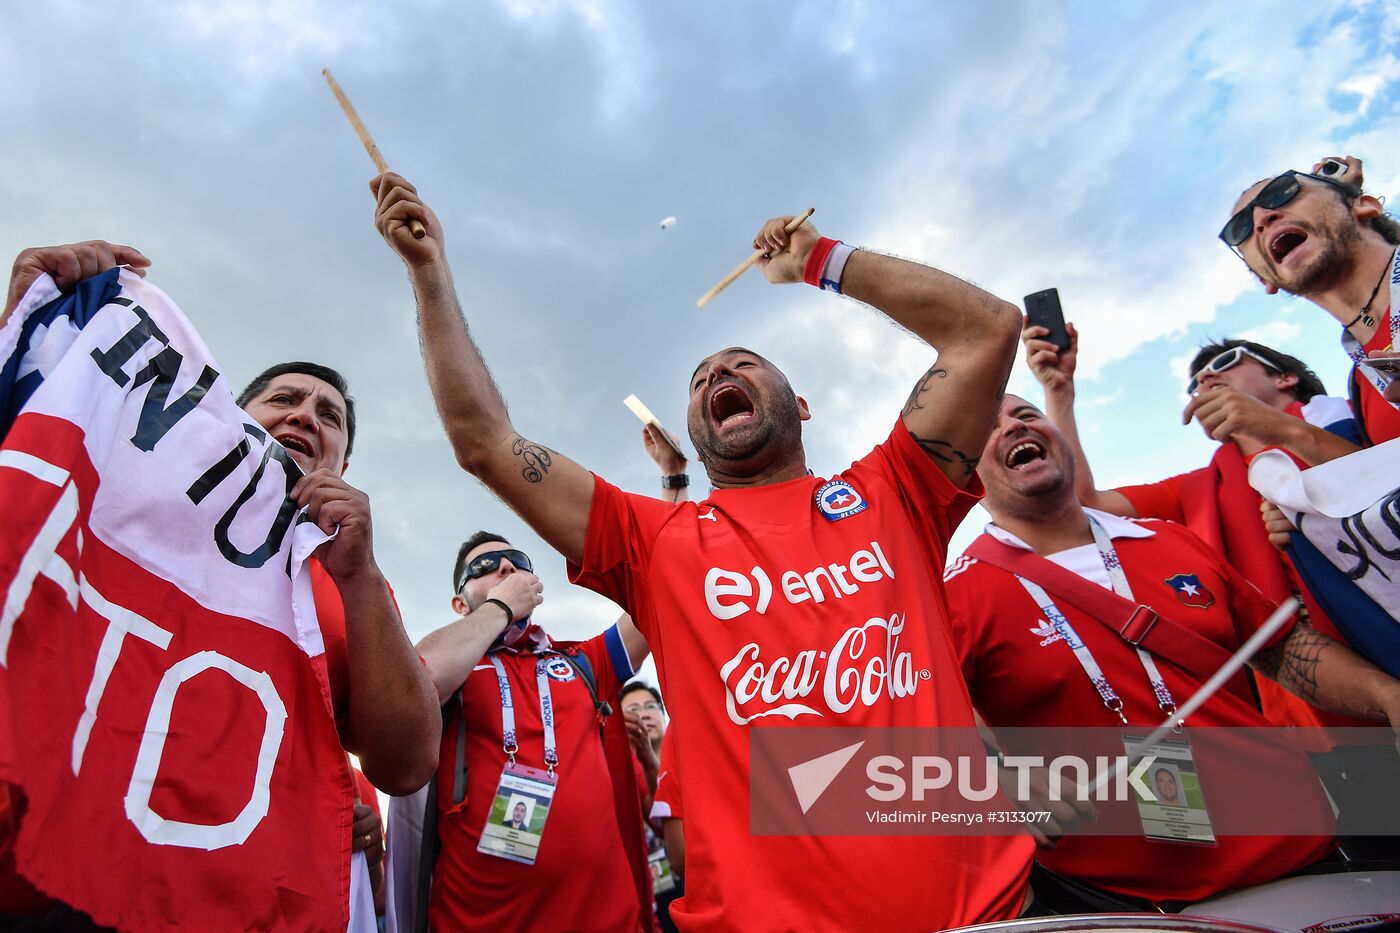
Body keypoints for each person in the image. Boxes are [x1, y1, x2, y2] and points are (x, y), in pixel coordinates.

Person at [371, 171, 1035, 931]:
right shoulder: (653, 542)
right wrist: (430, 273)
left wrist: (822, 259)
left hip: (985, 916)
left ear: (801, 404)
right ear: (695, 426)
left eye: (742, 362)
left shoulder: (896, 490)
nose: (718, 372)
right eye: (699, 379)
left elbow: (987, 329)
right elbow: (486, 444)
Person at [0, 244, 441, 928]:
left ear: (343, 463)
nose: (306, 416)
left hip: (233, 903)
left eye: (329, 416)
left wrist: (361, 577)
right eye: (284, 399)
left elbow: (407, 763)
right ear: (226, 417)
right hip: (43, 865)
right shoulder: (121, 480)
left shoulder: (348, 573)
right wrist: (23, 331)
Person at [943, 393, 1400, 909]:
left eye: (1027, 414)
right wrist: (995, 779)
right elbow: (906, 727)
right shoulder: (952, 597)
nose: (1013, 426)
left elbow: (1283, 648)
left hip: (1307, 859)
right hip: (1127, 904)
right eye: (989, 425)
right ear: (966, 475)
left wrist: (1388, 697)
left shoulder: (1169, 540)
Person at [1022, 324, 1368, 734]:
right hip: (1309, 704)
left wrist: (1288, 438)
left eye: (1225, 362)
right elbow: (1084, 500)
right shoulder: (1196, 489)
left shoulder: (1355, 419)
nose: (1205, 379)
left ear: (1285, 378)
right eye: (1195, 382)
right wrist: (1060, 392)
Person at [413, 531, 655, 933]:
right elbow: (418, 682)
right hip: (479, 922)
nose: (506, 567)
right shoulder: (457, 669)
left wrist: (671, 497)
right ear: (460, 603)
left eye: (517, 560)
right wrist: (500, 607)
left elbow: (653, 593)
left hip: (608, 920)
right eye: (485, 566)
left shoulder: (582, 662)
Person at [1222, 155, 1400, 444]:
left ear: (1364, 205)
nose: (1261, 220)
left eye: (1283, 193)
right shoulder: (1363, 385)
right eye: (1240, 229)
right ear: (1265, 279)